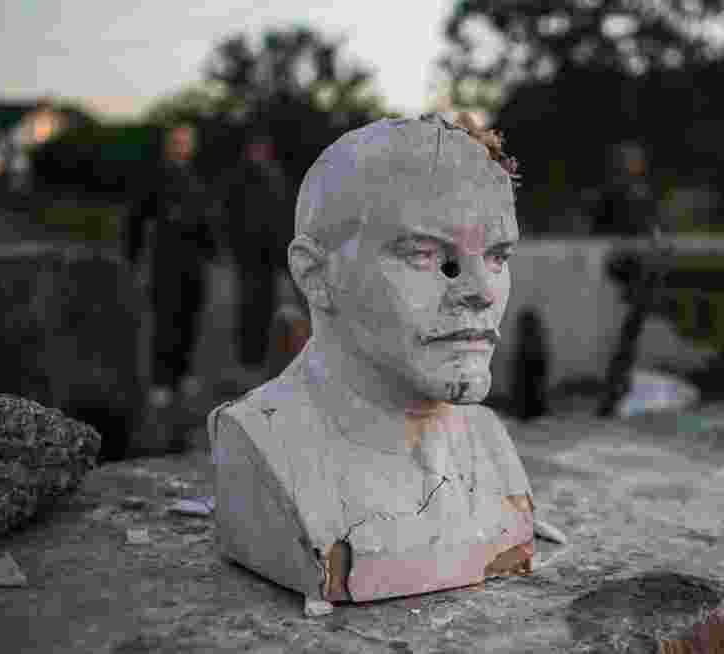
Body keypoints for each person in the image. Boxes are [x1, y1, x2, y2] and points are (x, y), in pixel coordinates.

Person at [208, 115, 564, 613]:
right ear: (315, 275)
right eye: (423, 255)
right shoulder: (264, 442)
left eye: (499, 257)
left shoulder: (488, 441)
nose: (482, 291)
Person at [124, 123, 216, 412]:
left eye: (185, 142)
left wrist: (212, 248)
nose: (181, 146)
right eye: (176, 141)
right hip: (165, 262)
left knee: (190, 319)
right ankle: (161, 382)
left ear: (192, 146)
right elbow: (136, 219)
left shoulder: (196, 179)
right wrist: (133, 256)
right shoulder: (154, 178)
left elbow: (205, 220)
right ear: (168, 145)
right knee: (166, 322)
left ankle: (183, 373)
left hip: (194, 263)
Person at [221, 132, 295, 385]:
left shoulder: (278, 179)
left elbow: (285, 216)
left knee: (268, 306)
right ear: (249, 151)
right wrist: (232, 247)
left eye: (263, 149)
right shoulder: (238, 180)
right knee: (248, 308)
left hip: (272, 256)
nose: (259, 154)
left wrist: (284, 252)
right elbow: (227, 217)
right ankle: (247, 362)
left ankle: (262, 360)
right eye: (255, 149)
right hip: (248, 257)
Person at [591, 141, 656, 237]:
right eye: (630, 158)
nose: (636, 162)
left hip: (639, 241)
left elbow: (651, 223)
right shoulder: (611, 193)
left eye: (638, 158)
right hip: (614, 240)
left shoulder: (645, 191)